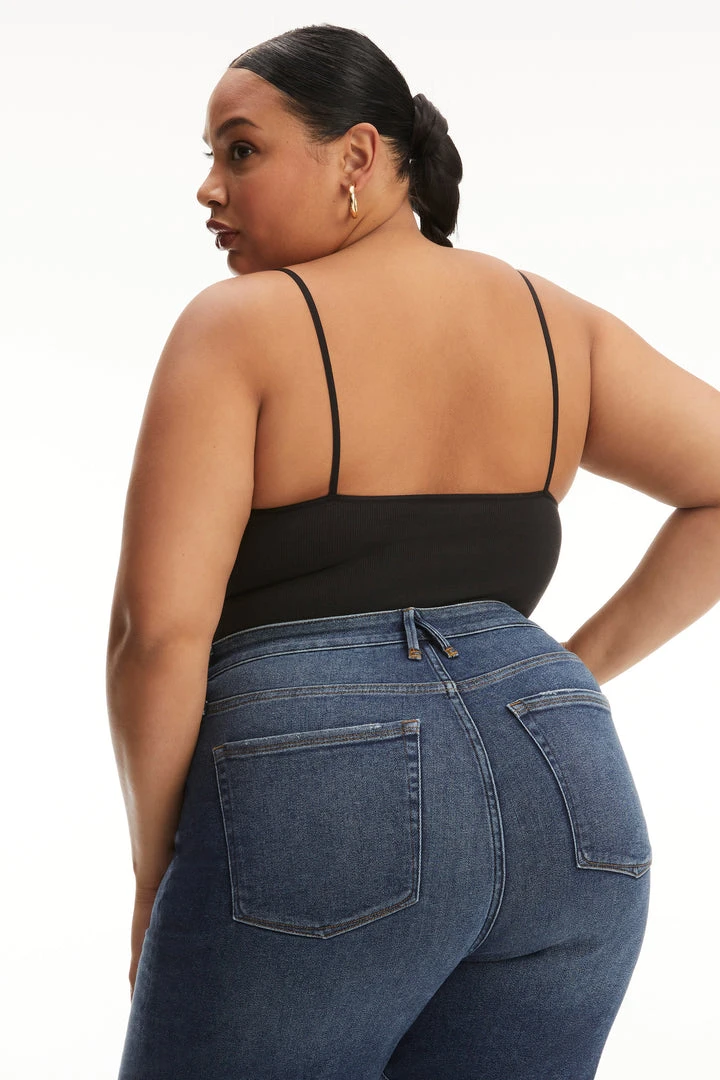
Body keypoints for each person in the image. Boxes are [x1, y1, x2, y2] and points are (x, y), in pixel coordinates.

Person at [107, 23, 720, 1080]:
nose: (209, 189)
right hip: (570, 795)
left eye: (240, 150)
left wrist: (154, 867)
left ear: (357, 154)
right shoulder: (554, 321)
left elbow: (156, 635)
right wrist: (562, 679)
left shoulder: (239, 326)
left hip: (320, 800)